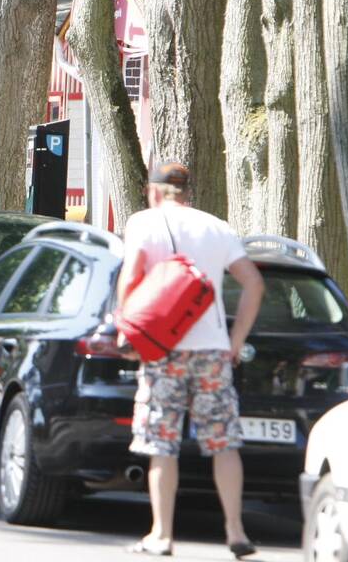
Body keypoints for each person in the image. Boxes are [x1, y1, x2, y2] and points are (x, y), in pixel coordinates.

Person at [117, 163, 265, 559]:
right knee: (223, 442)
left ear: (154, 191)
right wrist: (235, 341)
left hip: (162, 349)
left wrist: (126, 330)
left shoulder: (143, 223)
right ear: (186, 192)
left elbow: (131, 275)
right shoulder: (216, 227)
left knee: (161, 444)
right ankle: (235, 531)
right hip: (213, 350)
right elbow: (253, 282)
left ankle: (162, 535)